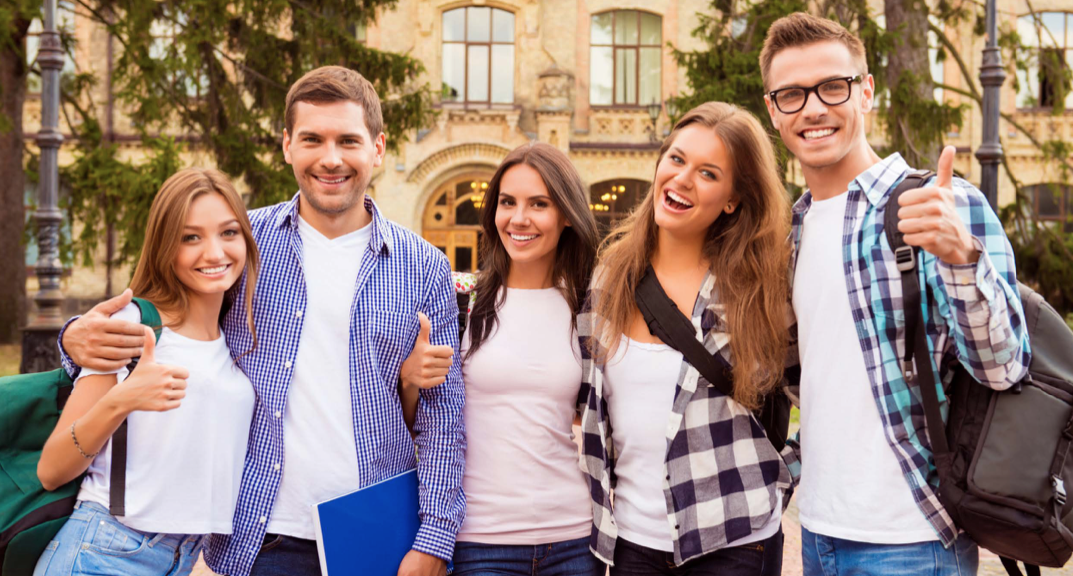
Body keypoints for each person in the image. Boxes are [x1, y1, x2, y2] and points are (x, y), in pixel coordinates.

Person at [58, 66, 465, 576]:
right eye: (313, 139)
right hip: (257, 535)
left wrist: (434, 539)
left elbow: (444, 419)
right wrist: (73, 337)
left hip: (373, 534)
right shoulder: (241, 243)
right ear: (287, 145)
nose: (331, 158)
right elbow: (160, 309)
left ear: (378, 149)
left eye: (349, 141)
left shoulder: (424, 266)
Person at [759, 13, 1030, 575]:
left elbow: (1005, 368)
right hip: (817, 534)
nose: (812, 108)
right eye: (791, 94)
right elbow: (810, 385)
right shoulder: (790, 234)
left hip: (915, 538)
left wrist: (961, 260)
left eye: (832, 87)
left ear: (867, 93)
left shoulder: (940, 206)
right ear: (773, 110)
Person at [578, 102, 792, 575]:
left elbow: (822, 390)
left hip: (735, 537)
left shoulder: (759, 288)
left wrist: (781, 477)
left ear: (733, 198)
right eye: (676, 159)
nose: (682, 179)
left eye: (708, 173)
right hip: (632, 540)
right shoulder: (608, 280)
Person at [34, 168, 259, 576]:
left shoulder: (235, 338)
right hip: (102, 554)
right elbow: (52, 469)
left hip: (186, 560)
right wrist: (122, 399)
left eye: (229, 233)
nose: (214, 253)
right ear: (165, 248)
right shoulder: (134, 323)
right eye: (191, 237)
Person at [402, 142, 604, 575]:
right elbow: (415, 424)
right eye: (507, 202)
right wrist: (409, 380)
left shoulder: (588, 308)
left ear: (566, 213)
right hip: (479, 540)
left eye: (539, 204)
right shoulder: (461, 301)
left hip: (572, 537)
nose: (519, 218)